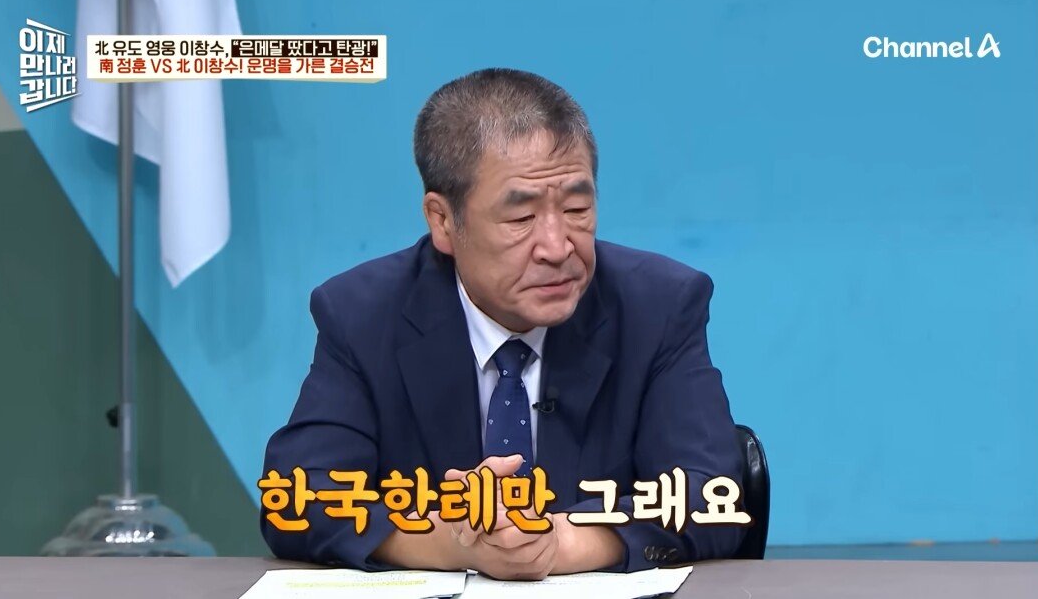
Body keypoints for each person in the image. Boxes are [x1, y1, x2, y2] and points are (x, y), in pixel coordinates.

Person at [262, 68, 746, 579]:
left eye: (577, 208)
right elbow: (299, 497)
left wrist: (563, 543)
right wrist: (455, 541)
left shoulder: (658, 306)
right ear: (443, 220)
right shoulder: (363, 314)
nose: (557, 247)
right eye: (521, 219)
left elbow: (712, 495)